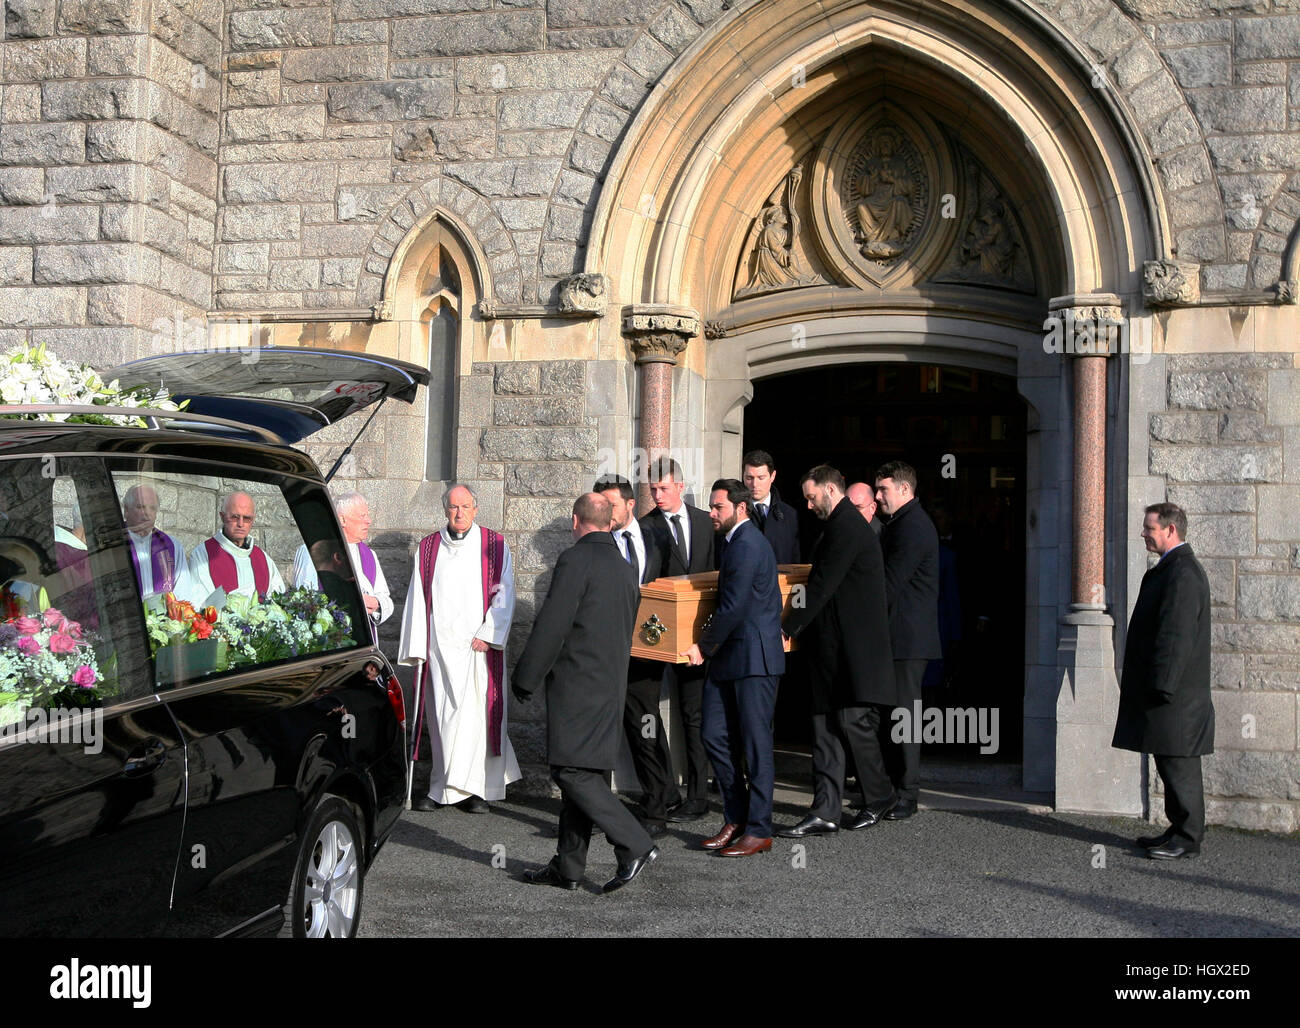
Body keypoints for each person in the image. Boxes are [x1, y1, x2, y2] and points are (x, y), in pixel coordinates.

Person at [513, 493, 659, 893]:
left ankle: (635, 844)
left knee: (570, 771)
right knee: (587, 773)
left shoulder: (575, 560)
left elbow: (553, 626)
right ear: (610, 522)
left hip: (577, 687)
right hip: (610, 685)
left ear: (577, 522)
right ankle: (568, 867)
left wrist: (525, 678)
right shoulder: (626, 568)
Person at [779, 465, 897, 837]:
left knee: (851, 723)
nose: (809, 505)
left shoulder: (847, 526)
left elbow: (822, 584)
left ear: (831, 489)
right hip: (831, 648)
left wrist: (787, 627)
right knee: (824, 726)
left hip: (853, 650)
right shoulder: (837, 525)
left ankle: (880, 797)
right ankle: (826, 810)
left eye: (812, 497)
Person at [398, 483, 520, 814]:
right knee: (442, 719)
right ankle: (441, 787)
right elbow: (418, 599)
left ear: (476, 509)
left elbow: (504, 592)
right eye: (453, 507)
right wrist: (418, 647)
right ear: (445, 510)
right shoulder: (428, 548)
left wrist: (490, 632)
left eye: (465, 506)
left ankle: (476, 791)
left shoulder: (494, 545)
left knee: (476, 719)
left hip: (478, 648)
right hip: (440, 648)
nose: (459, 513)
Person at [681, 479, 784, 858]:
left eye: (718, 507)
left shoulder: (747, 544)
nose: (711, 513)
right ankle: (737, 816)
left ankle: (759, 829)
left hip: (754, 659)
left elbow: (735, 606)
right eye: (711, 506)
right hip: (730, 658)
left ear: (740, 509)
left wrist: (702, 647)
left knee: (757, 747)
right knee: (713, 735)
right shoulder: (734, 542)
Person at [1113, 503, 1213, 860]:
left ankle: (1188, 837)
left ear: (1170, 530)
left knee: (1179, 761)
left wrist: (1162, 686)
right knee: (1169, 760)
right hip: (1169, 695)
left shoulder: (1183, 573)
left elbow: (1177, 636)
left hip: (1176, 698)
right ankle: (1177, 828)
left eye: (1149, 528)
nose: (1143, 533)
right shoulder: (1173, 570)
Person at [595, 473, 674, 837]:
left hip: (644, 652)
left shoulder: (656, 536)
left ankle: (658, 804)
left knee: (645, 726)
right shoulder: (595, 543)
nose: (605, 512)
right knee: (599, 731)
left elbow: (672, 587)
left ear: (629, 504)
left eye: (611, 505)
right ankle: (592, 812)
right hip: (603, 653)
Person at [641, 456, 715, 822]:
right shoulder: (645, 527)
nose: (657, 495)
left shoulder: (705, 521)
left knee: (693, 714)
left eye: (664, 489)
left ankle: (698, 796)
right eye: (653, 489)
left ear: (681, 488)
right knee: (646, 711)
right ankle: (662, 791)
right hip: (656, 634)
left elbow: (715, 573)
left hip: (696, 636)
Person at [874, 461, 941, 820]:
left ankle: (907, 794)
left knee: (905, 717)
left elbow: (889, 584)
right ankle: (892, 790)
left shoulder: (912, 526)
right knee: (894, 715)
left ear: (904, 489)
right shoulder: (900, 524)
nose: (878, 496)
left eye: (883, 489)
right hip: (898, 638)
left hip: (906, 639)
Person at [292, 491, 393, 629]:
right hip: (329, 637)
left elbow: (385, 597)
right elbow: (303, 597)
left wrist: (376, 603)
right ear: (342, 520)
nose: (369, 520)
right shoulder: (312, 550)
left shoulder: (370, 555)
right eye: (362, 516)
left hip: (364, 637)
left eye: (368, 515)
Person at [187, 491, 286, 603]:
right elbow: (201, 603)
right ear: (222, 517)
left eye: (247, 518)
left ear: (253, 520)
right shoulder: (203, 554)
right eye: (235, 517)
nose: (241, 524)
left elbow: (279, 600)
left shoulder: (263, 559)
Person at [122, 483, 190, 599]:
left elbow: (184, 592)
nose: (147, 514)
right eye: (140, 507)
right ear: (126, 510)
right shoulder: (113, 544)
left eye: (152, 508)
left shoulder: (172, 546)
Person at [739, 449, 800, 563]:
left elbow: (794, 559)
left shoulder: (789, 514)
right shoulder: (734, 513)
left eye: (761, 478)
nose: (754, 484)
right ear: (742, 476)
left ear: (772, 476)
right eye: (749, 478)